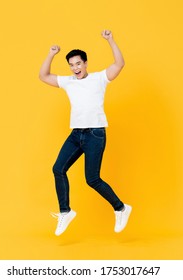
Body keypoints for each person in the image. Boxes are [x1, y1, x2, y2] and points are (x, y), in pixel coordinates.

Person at [39, 30, 132, 236]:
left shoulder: (99, 78)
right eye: (71, 65)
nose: (75, 68)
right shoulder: (68, 81)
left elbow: (119, 64)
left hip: (95, 134)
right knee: (58, 169)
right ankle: (65, 211)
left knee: (92, 179)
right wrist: (51, 54)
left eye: (78, 64)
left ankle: (121, 208)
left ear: (85, 63)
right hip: (76, 134)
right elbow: (43, 76)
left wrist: (110, 40)